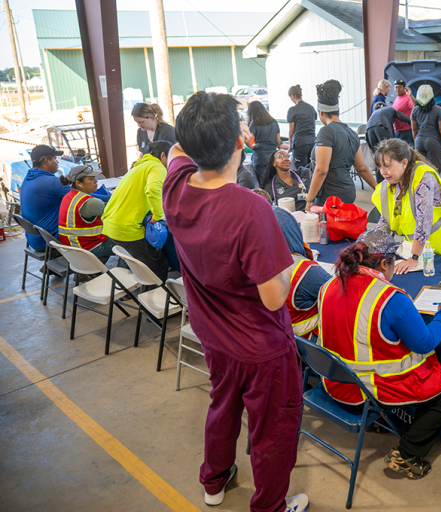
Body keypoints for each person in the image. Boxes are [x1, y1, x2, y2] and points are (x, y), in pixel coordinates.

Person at [163, 91, 309, 512]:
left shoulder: (176, 186)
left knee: (222, 407)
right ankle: (270, 506)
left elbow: (176, 150)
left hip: (213, 335)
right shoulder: (250, 209)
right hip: (261, 347)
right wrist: (290, 259)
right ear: (242, 141)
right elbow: (274, 297)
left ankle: (214, 481)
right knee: (272, 431)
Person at [318, 229, 441, 479]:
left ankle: (381, 423)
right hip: (368, 389)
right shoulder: (390, 298)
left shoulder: (329, 285)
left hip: (334, 381)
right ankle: (407, 455)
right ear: (384, 263)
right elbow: (425, 343)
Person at [372, 138, 441, 271]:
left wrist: (414, 257)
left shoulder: (424, 178)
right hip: (418, 246)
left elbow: (423, 222)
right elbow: (386, 220)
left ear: (404, 163)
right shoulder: (392, 182)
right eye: (380, 167)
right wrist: (369, 246)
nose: (383, 172)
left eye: (387, 166)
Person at [102, 141, 171, 282]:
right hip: (126, 229)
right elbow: (152, 189)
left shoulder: (139, 166)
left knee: (137, 260)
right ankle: (154, 294)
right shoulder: (157, 166)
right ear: (163, 155)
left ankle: (140, 286)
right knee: (159, 265)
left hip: (111, 225)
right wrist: (158, 215)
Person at [305, 79, 377, 209]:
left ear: (320, 112)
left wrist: (309, 199)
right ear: (338, 109)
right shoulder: (352, 133)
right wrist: (377, 188)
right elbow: (362, 168)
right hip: (348, 192)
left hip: (330, 196)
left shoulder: (326, 132)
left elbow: (321, 170)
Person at [272, 205, 332, 337]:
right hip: (309, 342)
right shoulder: (302, 269)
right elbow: (339, 292)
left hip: (276, 339)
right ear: (291, 232)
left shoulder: (252, 265)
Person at [57, 165, 114, 261]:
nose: (96, 181)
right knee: (128, 244)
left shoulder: (69, 196)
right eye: (91, 179)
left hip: (71, 247)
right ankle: (122, 270)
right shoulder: (90, 202)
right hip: (86, 249)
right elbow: (117, 213)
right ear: (79, 183)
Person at [19, 144, 69, 251]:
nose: (57, 162)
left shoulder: (28, 178)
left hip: (34, 240)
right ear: (46, 161)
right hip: (50, 242)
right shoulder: (51, 182)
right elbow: (83, 198)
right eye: (55, 158)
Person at [366, 102, 412, 181]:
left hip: (369, 130)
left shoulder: (374, 114)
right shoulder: (390, 109)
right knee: (390, 153)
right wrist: (413, 122)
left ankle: (380, 183)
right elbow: (403, 117)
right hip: (381, 126)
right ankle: (393, 180)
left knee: (378, 156)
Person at [410, 85, 441, 174]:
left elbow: (414, 129)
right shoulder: (438, 110)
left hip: (419, 141)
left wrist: (416, 140)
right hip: (433, 142)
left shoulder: (414, 110)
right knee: (434, 170)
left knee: (421, 169)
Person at [245, 100, 282, 189]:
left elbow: (246, 139)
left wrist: (251, 147)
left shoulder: (254, 124)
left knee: (263, 185)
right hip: (273, 156)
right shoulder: (274, 122)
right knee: (274, 183)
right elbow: (278, 141)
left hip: (260, 157)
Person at [287, 85, 317, 169]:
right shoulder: (311, 108)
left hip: (300, 143)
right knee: (311, 169)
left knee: (301, 171)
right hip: (312, 142)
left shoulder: (292, 110)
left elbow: (291, 131)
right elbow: (314, 127)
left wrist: (290, 145)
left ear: (293, 96)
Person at [392, 79, 415, 146]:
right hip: (397, 131)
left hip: (406, 131)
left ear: (405, 88)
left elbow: (416, 107)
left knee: (407, 151)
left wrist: (411, 96)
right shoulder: (397, 98)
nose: (397, 89)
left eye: (399, 87)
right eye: (396, 87)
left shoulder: (408, 98)